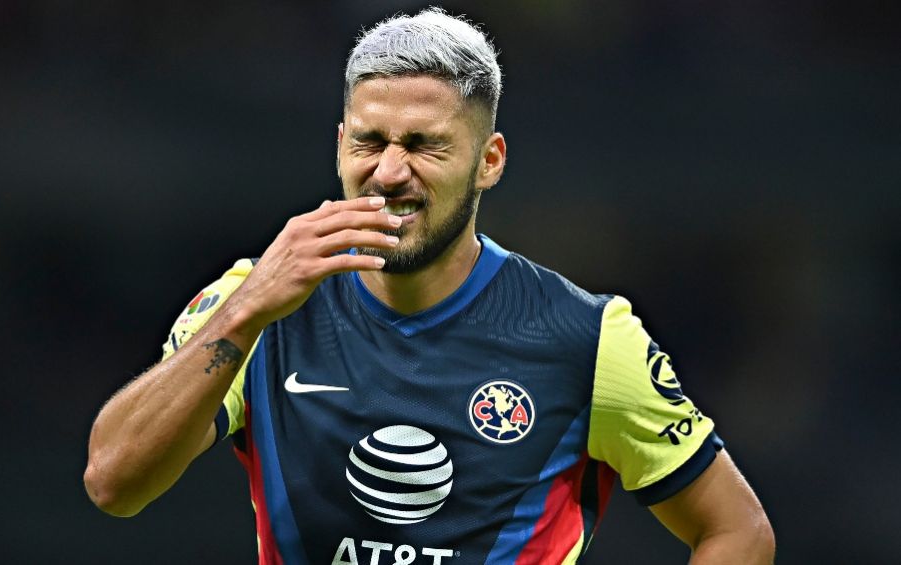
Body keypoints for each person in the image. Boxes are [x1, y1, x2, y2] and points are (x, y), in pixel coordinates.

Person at [84, 8, 774, 564]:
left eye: (423, 145)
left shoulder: (586, 338)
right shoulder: (256, 302)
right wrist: (244, 312)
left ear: (488, 161)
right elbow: (113, 481)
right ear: (339, 144)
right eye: (369, 141)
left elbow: (737, 531)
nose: (389, 172)